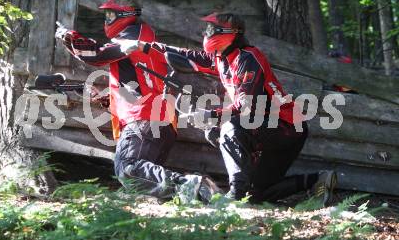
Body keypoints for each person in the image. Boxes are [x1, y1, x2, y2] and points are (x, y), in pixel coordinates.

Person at [134, 12, 337, 206]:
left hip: (287, 128)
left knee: (228, 127)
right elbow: (181, 54)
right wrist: (141, 46)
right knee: (257, 195)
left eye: (211, 29)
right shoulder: (221, 59)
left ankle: (235, 194)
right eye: (207, 28)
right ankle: (317, 180)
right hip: (267, 128)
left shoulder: (248, 59)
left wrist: (210, 115)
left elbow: (246, 106)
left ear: (230, 34)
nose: (206, 33)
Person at [54, 0, 220, 203]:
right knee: (141, 182)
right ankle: (198, 197)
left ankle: (195, 187)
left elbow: (95, 55)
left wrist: (68, 37)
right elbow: (138, 84)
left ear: (126, 15)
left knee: (128, 168)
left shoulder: (133, 37)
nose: (107, 19)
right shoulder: (142, 38)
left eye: (111, 14)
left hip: (145, 119)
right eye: (106, 14)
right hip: (158, 120)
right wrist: (105, 98)